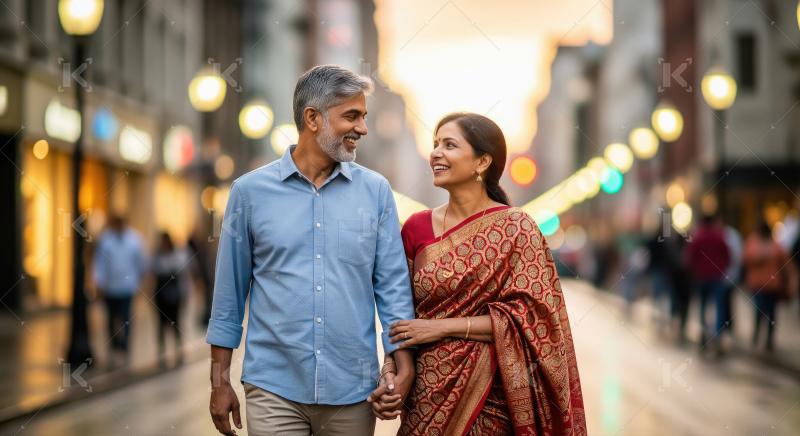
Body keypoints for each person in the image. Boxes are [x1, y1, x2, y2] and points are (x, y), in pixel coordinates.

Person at [206, 65, 415, 436]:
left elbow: (393, 291)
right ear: (312, 118)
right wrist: (219, 383)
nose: (362, 129)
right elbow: (228, 298)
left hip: (353, 392)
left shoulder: (376, 192)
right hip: (273, 388)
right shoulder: (249, 193)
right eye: (351, 116)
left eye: (364, 117)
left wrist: (401, 366)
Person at [371, 113, 586, 435]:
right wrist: (392, 371)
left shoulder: (517, 228)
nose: (436, 153)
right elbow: (400, 312)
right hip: (428, 395)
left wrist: (440, 329)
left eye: (449, 145)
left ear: (482, 161)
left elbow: (535, 320)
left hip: (496, 397)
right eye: (435, 144)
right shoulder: (416, 227)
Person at [92, 213, 146, 366]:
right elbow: (100, 263)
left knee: (126, 318)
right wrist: (99, 283)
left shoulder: (134, 239)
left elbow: (141, 262)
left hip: (127, 288)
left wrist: (139, 281)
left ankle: (125, 347)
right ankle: (114, 346)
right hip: (110, 288)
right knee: (110, 319)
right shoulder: (106, 240)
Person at [743, 222, 797, 351]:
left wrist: (792, 282)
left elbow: (788, 264)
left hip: (772, 286)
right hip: (757, 286)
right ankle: (757, 335)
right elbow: (746, 258)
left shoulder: (776, 246)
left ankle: (769, 339)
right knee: (759, 310)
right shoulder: (753, 243)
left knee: (771, 313)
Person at [685, 213, 730, 350]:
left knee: (703, 306)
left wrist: (694, 271)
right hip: (716, 276)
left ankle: (703, 332)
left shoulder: (698, 237)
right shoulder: (719, 237)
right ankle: (717, 334)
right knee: (719, 306)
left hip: (701, 277)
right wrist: (722, 268)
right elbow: (727, 255)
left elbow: (690, 257)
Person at [151, 231, 189, 365]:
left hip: (174, 296)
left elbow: (182, 276)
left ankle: (179, 350)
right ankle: (162, 353)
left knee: (176, 323)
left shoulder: (176, 255)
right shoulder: (157, 256)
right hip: (161, 297)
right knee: (161, 325)